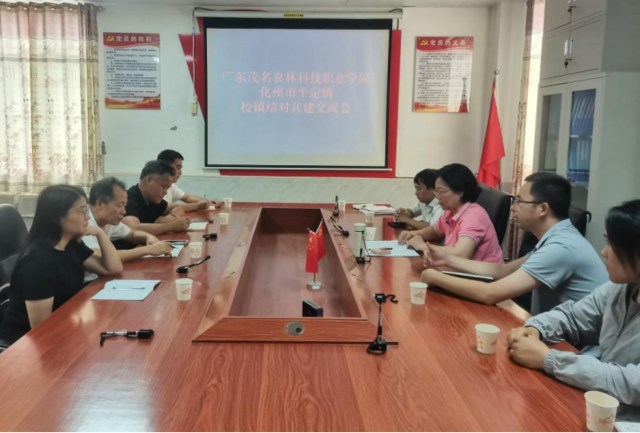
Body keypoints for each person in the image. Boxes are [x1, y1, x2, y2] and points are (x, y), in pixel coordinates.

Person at [507, 200, 640, 421]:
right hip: (599, 410)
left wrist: (549, 359)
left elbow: (631, 382)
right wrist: (535, 329)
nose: (604, 252)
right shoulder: (619, 289)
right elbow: (572, 316)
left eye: (612, 244)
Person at [420, 172, 608, 314]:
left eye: (519, 201)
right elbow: (502, 271)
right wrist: (446, 259)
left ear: (543, 209)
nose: (514, 208)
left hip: (573, 348)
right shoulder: (556, 237)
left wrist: (435, 277)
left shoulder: (562, 247)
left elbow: (490, 293)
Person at [0, 185, 122, 346]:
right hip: (21, 344)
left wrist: (100, 233)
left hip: (62, 324)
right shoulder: (39, 262)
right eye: (81, 211)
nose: (87, 217)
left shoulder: (70, 244)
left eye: (86, 210)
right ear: (58, 217)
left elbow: (112, 268)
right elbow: (41, 328)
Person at [398, 163, 503, 264]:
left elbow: (462, 254)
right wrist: (414, 234)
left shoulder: (474, 215)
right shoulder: (451, 210)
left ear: (460, 191)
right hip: (457, 268)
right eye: (436, 191)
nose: (437, 196)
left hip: (480, 274)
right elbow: (436, 231)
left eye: (441, 191)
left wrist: (423, 246)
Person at [85, 177, 173, 261]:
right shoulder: (84, 222)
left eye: (124, 206)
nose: (124, 212)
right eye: (119, 205)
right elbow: (101, 256)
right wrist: (148, 250)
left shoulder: (108, 220)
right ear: (100, 204)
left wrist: (148, 237)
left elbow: (131, 234)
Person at [122, 160, 191, 236]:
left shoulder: (152, 198)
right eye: (164, 187)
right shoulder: (128, 199)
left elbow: (178, 207)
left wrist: (170, 217)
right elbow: (132, 228)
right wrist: (171, 226)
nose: (165, 192)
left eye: (167, 188)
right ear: (148, 180)